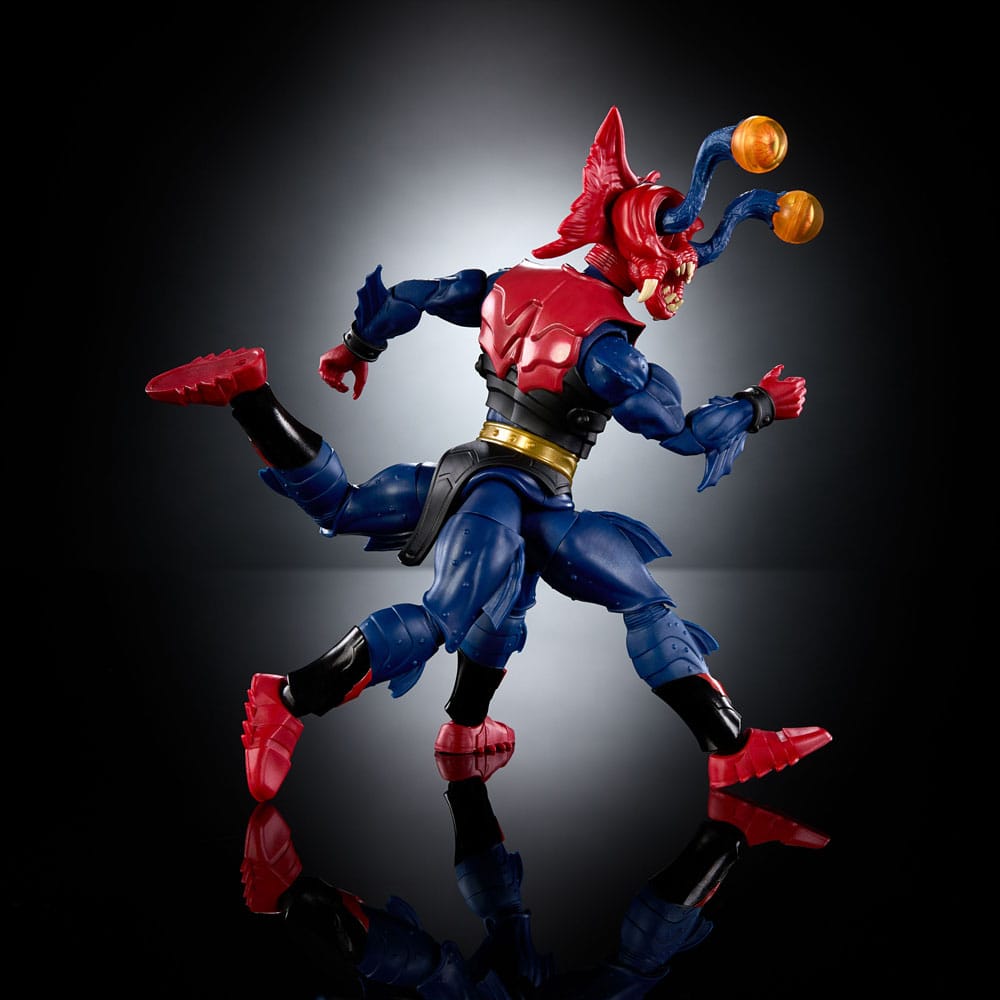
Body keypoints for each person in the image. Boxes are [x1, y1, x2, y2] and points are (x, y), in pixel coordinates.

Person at [146, 107, 831, 803]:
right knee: (447, 613)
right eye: (676, 265)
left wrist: (357, 347)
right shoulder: (614, 356)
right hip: (506, 493)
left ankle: (489, 730)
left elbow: (419, 295)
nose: (681, 281)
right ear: (642, 254)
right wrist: (761, 404)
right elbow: (685, 433)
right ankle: (288, 696)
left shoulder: (514, 284)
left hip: (507, 484)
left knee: (595, 593)